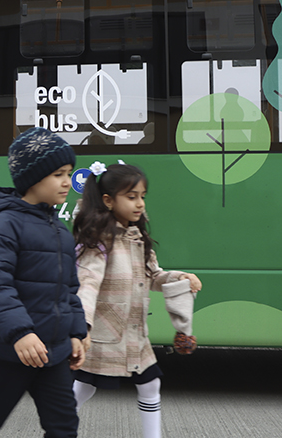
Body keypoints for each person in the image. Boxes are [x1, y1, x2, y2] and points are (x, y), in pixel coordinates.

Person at [0, 127, 88, 438]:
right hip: (7, 349)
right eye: (58, 174)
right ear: (32, 179)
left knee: (64, 426)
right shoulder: (4, 224)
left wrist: (77, 332)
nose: (68, 181)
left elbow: (68, 289)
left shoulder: (59, 229)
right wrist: (21, 333)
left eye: (68, 173)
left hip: (53, 350)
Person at [71, 162, 202, 438]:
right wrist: (82, 328)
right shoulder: (98, 242)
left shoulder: (137, 237)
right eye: (131, 197)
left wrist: (182, 278)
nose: (140, 203)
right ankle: (58, 426)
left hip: (134, 336)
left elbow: (154, 276)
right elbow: (87, 286)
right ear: (108, 200)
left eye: (142, 196)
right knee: (84, 387)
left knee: (150, 383)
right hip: (104, 336)